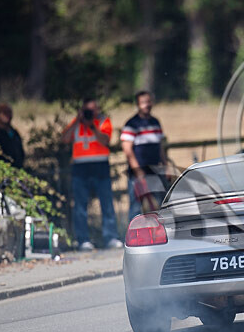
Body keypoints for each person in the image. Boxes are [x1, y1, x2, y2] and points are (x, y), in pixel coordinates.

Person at [61, 98, 122, 251]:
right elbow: (65, 139)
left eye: (93, 110)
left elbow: (105, 141)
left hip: (100, 167)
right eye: (87, 110)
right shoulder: (76, 123)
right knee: (80, 206)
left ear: (98, 109)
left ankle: (111, 237)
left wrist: (92, 126)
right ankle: (83, 240)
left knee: (107, 203)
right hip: (80, 169)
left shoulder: (103, 122)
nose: (90, 113)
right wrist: (78, 121)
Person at [121, 91, 170, 221]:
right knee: (136, 207)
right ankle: (134, 236)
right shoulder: (131, 124)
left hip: (154, 171)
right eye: (143, 102)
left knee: (159, 205)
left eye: (148, 102)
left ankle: (160, 234)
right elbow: (127, 150)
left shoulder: (155, 122)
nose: (146, 105)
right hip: (138, 173)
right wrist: (138, 170)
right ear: (138, 104)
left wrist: (165, 165)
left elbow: (159, 146)